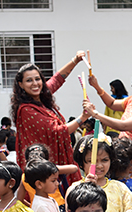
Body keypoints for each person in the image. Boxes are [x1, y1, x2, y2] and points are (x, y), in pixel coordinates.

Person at [11, 51, 87, 181]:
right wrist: (83, 118)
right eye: (29, 80)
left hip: (58, 158)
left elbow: (57, 79)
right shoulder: (26, 110)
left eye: (37, 79)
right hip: (45, 167)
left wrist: (75, 60)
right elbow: (57, 131)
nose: (35, 83)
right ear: (21, 84)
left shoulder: (40, 97)